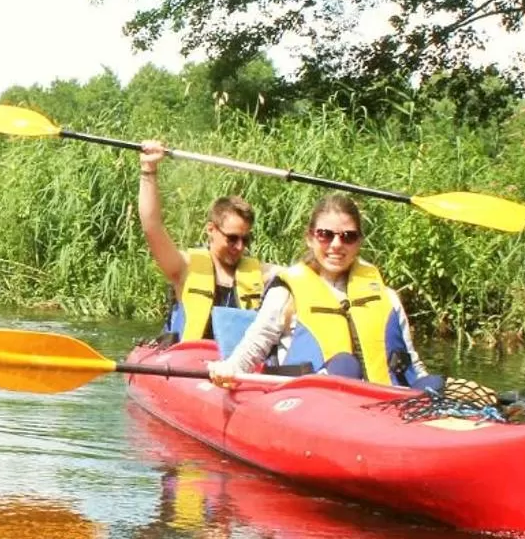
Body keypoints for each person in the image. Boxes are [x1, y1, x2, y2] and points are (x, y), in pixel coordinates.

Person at [207, 194, 443, 391]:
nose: (336, 245)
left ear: (359, 242)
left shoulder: (387, 297)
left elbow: (411, 361)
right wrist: (230, 368)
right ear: (310, 238)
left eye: (348, 236)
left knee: (435, 384)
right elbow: (254, 346)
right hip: (312, 403)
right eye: (325, 235)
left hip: (384, 404)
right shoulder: (286, 293)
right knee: (345, 366)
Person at [138, 140, 272, 343]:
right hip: (188, 362)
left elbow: (307, 274)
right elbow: (151, 226)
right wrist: (149, 169)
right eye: (232, 238)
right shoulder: (184, 267)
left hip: (235, 365)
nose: (240, 247)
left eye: (246, 239)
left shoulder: (262, 274)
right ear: (211, 230)